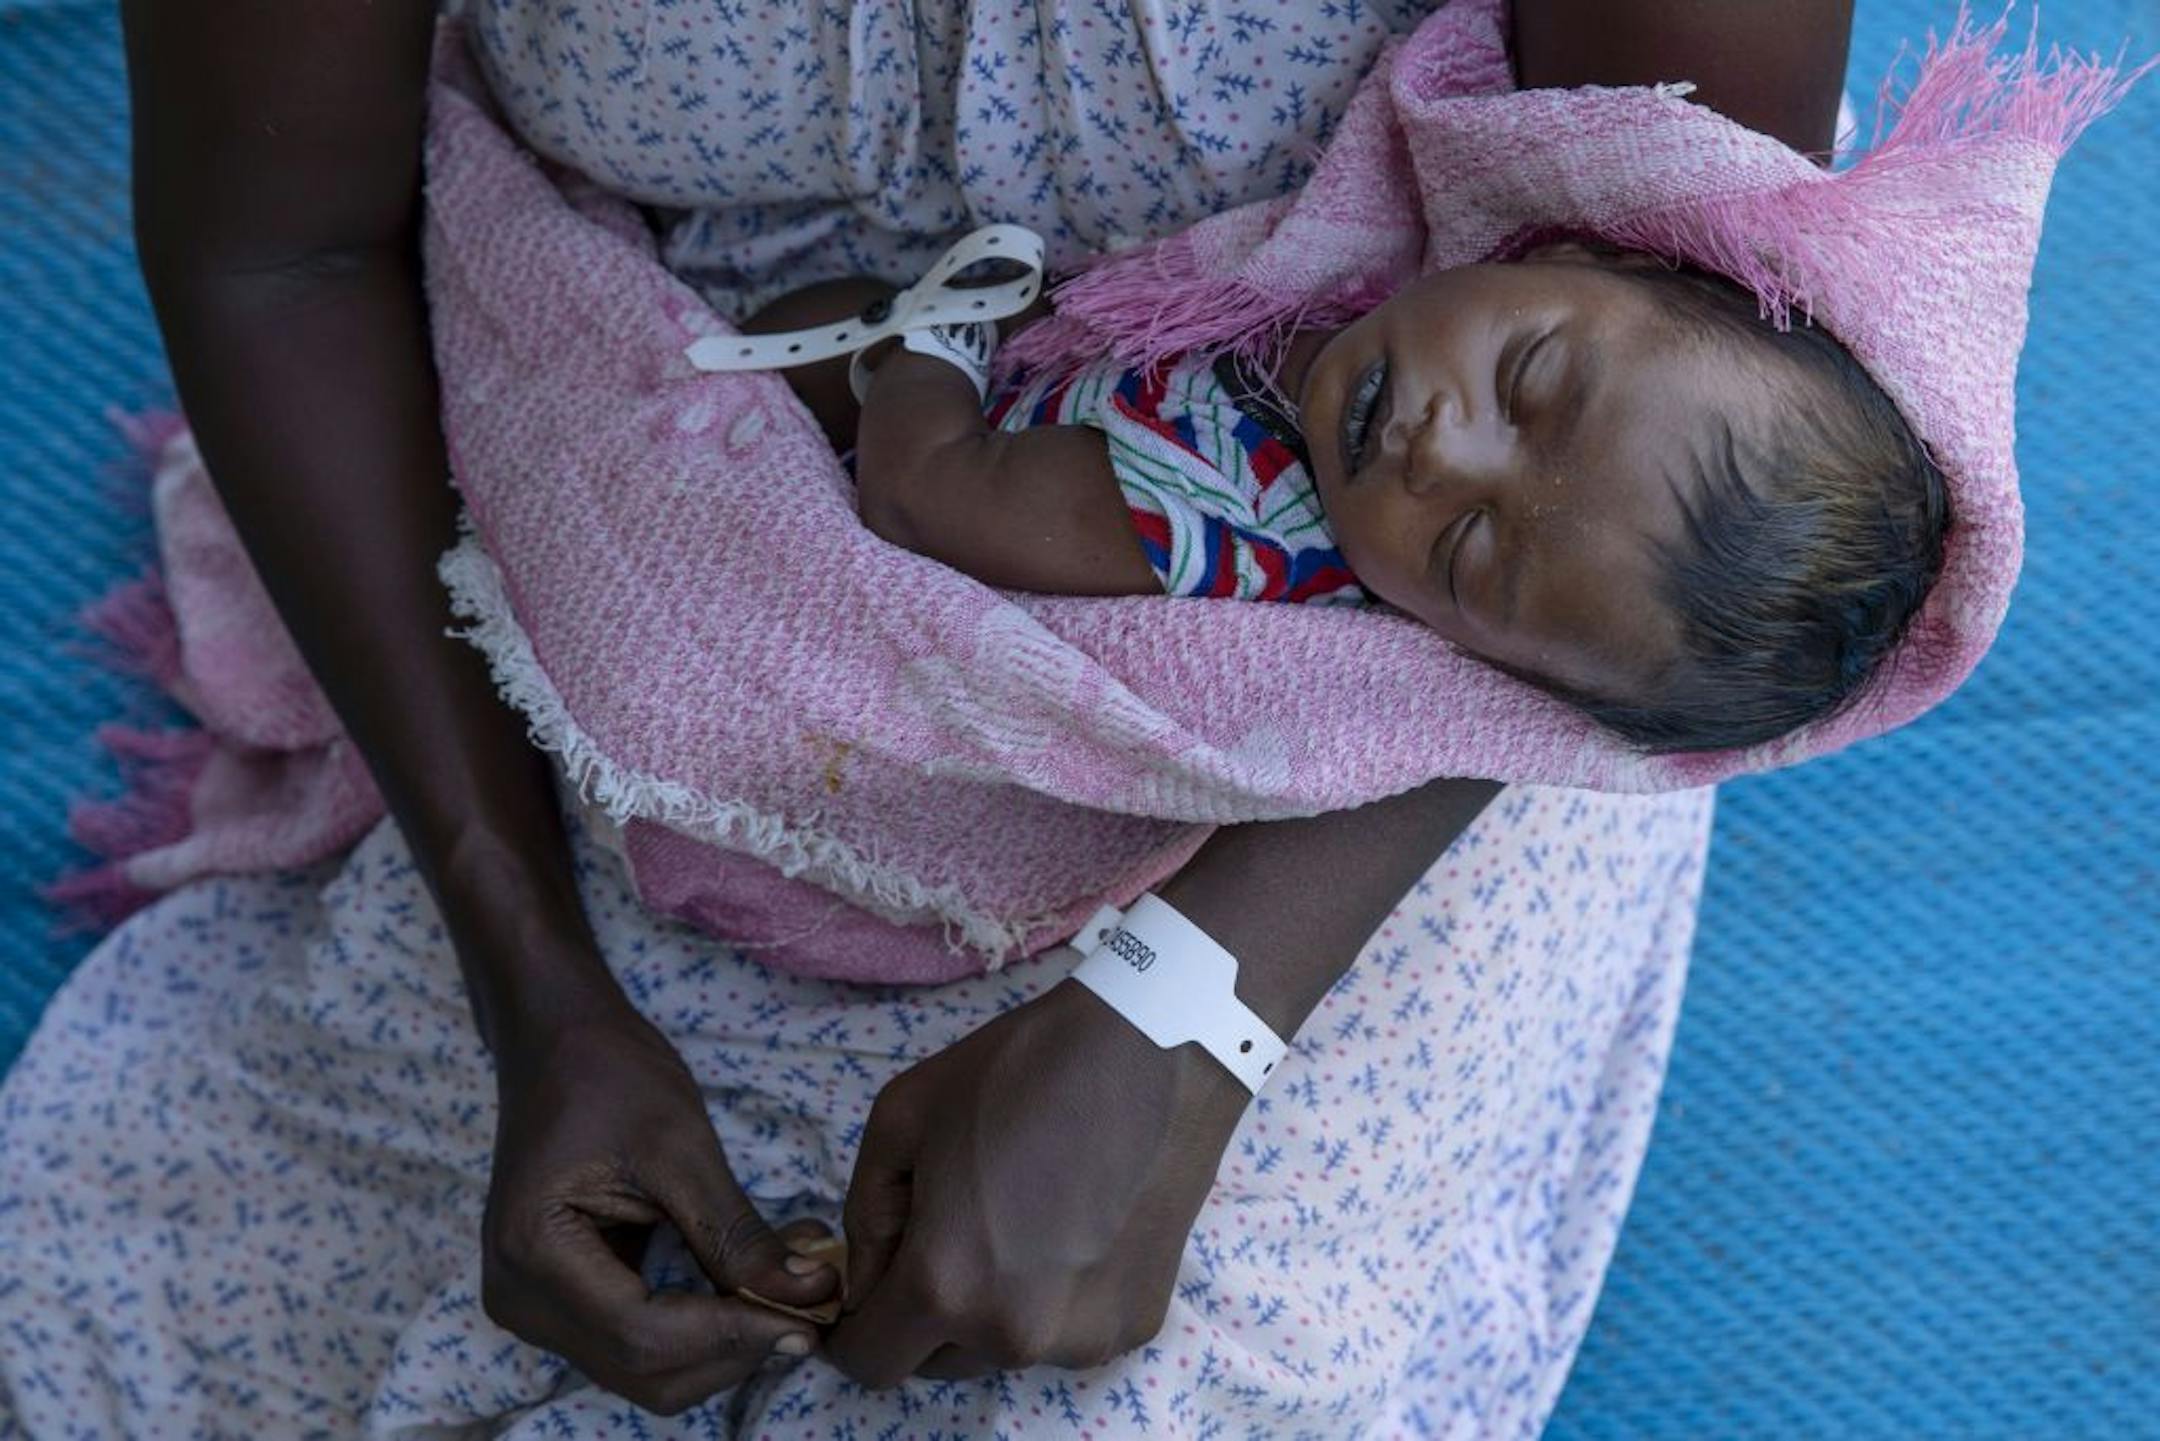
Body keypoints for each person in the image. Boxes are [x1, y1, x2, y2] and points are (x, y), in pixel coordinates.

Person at [0, 1, 1849, 1432]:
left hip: (1401, 692)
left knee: (1113, 1374)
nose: (1448, 447)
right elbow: (289, 256)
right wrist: (536, 981)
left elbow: (1692, 447)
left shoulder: (1526, 478)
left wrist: (1185, 1018)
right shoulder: (1479, 431)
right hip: (659, 468)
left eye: (1511, 429)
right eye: (1499, 398)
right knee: (488, 1285)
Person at [783, 238, 1946, 755]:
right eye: (1526, 380)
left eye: (1468, 554)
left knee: (794, 339)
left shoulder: (1216, 515)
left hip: (869, 470)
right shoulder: (1413, 237)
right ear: (1615, 258)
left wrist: (937, 332)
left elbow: (929, 496)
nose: (1438, 457)